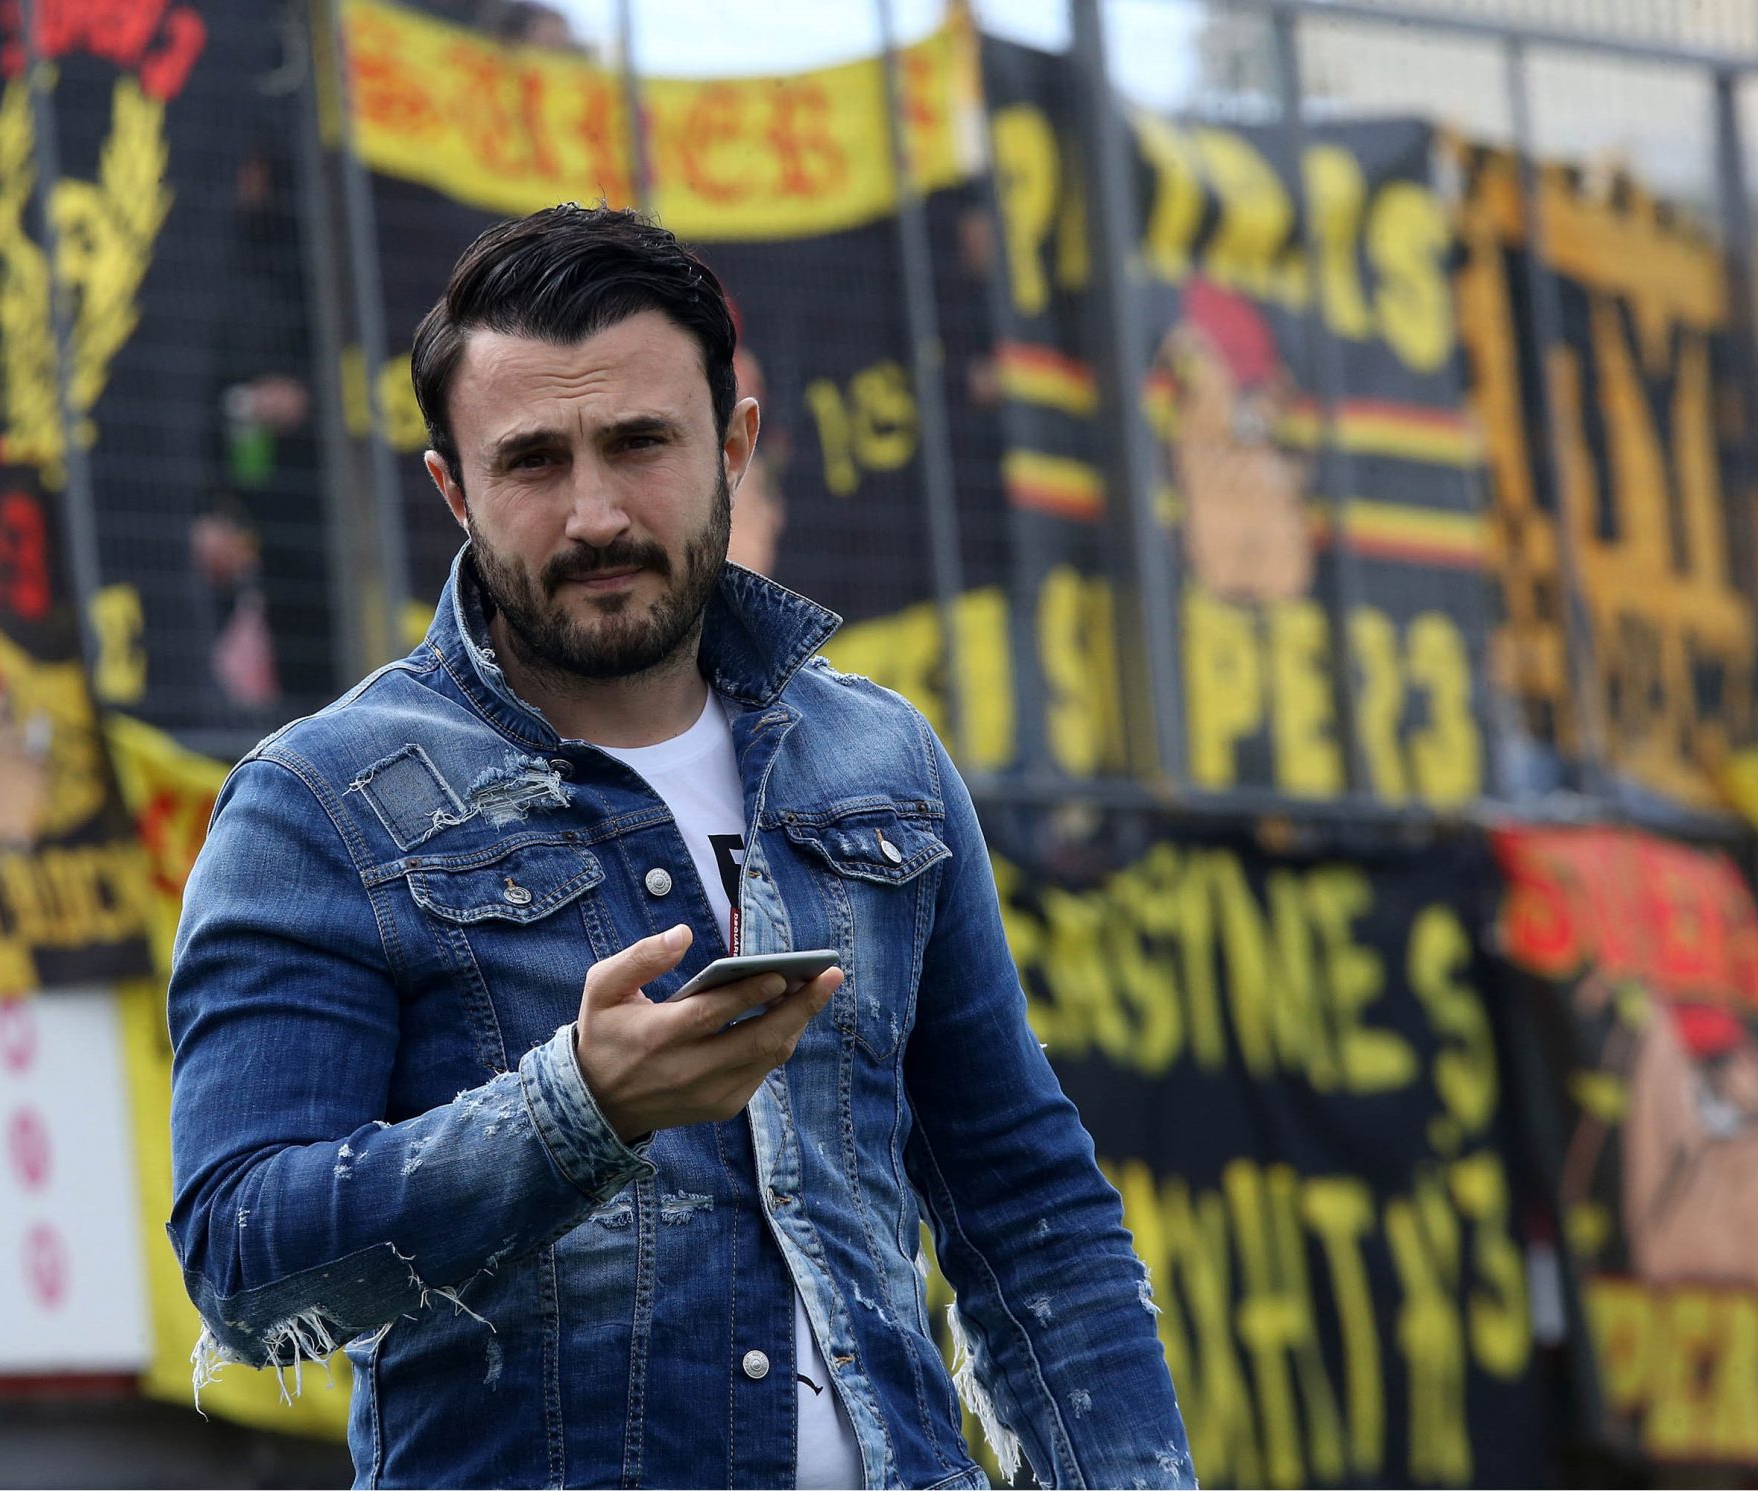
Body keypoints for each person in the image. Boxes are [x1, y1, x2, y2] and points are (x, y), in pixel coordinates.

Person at [167, 204, 1193, 1491]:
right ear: (453, 490)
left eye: (639, 443)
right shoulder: (318, 802)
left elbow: (1032, 1217)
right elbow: (242, 1263)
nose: (594, 513)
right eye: (531, 462)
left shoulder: (878, 759)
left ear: (734, 445)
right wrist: (572, 1112)